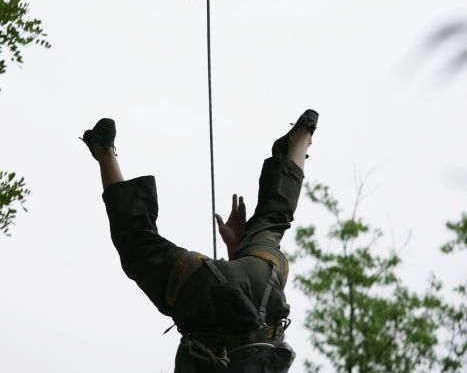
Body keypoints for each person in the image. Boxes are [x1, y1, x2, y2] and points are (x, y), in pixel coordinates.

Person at [79, 109, 319, 371]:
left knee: (274, 219)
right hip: (201, 292)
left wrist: (238, 250)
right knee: (137, 242)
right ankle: (103, 150)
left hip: (264, 278)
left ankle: (300, 140)